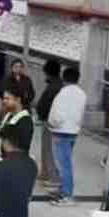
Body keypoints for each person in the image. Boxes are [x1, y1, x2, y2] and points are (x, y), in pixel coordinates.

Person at [46, 67, 87, 205]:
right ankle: (63, 189)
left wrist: (52, 125)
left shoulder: (62, 93)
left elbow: (56, 114)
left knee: (64, 165)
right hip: (73, 131)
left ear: (64, 79)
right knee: (66, 162)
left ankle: (67, 195)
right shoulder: (82, 94)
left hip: (60, 131)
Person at [34, 59, 64, 188]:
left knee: (49, 149)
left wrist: (40, 114)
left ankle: (54, 178)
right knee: (46, 148)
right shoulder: (58, 84)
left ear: (47, 72)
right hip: (53, 120)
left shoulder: (53, 87)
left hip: (50, 121)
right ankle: (45, 172)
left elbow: (44, 104)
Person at [0, 85, 34, 157]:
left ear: (18, 100)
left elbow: (21, 149)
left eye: (7, 99)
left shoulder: (25, 121)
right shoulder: (8, 115)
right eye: (3, 98)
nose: (4, 101)